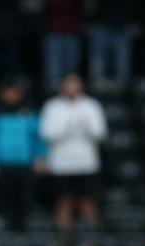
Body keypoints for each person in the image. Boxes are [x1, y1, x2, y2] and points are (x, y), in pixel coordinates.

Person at [0, 77, 46, 229]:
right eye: (10, 91)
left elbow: (37, 136)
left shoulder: (29, 110)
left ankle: (23, 230)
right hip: (1, 165)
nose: (13, 95)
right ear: (2, 92)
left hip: (24, 164)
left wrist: (40, 157)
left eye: (17, 91)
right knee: (2, 200)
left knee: (24, 201)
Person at [40, 73, 107, 231]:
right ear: (62, 86)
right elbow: (46, 133)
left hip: (86, 163)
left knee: (88, 200)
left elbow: (101, 132)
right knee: (63, 201)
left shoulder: (92, 105)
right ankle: (63, 236)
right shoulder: (52, 106)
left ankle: (91, 234)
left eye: (75, 84)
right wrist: (69, 126)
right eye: (69, 84)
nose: (72, 88)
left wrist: (85, 126)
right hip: (61, 164)